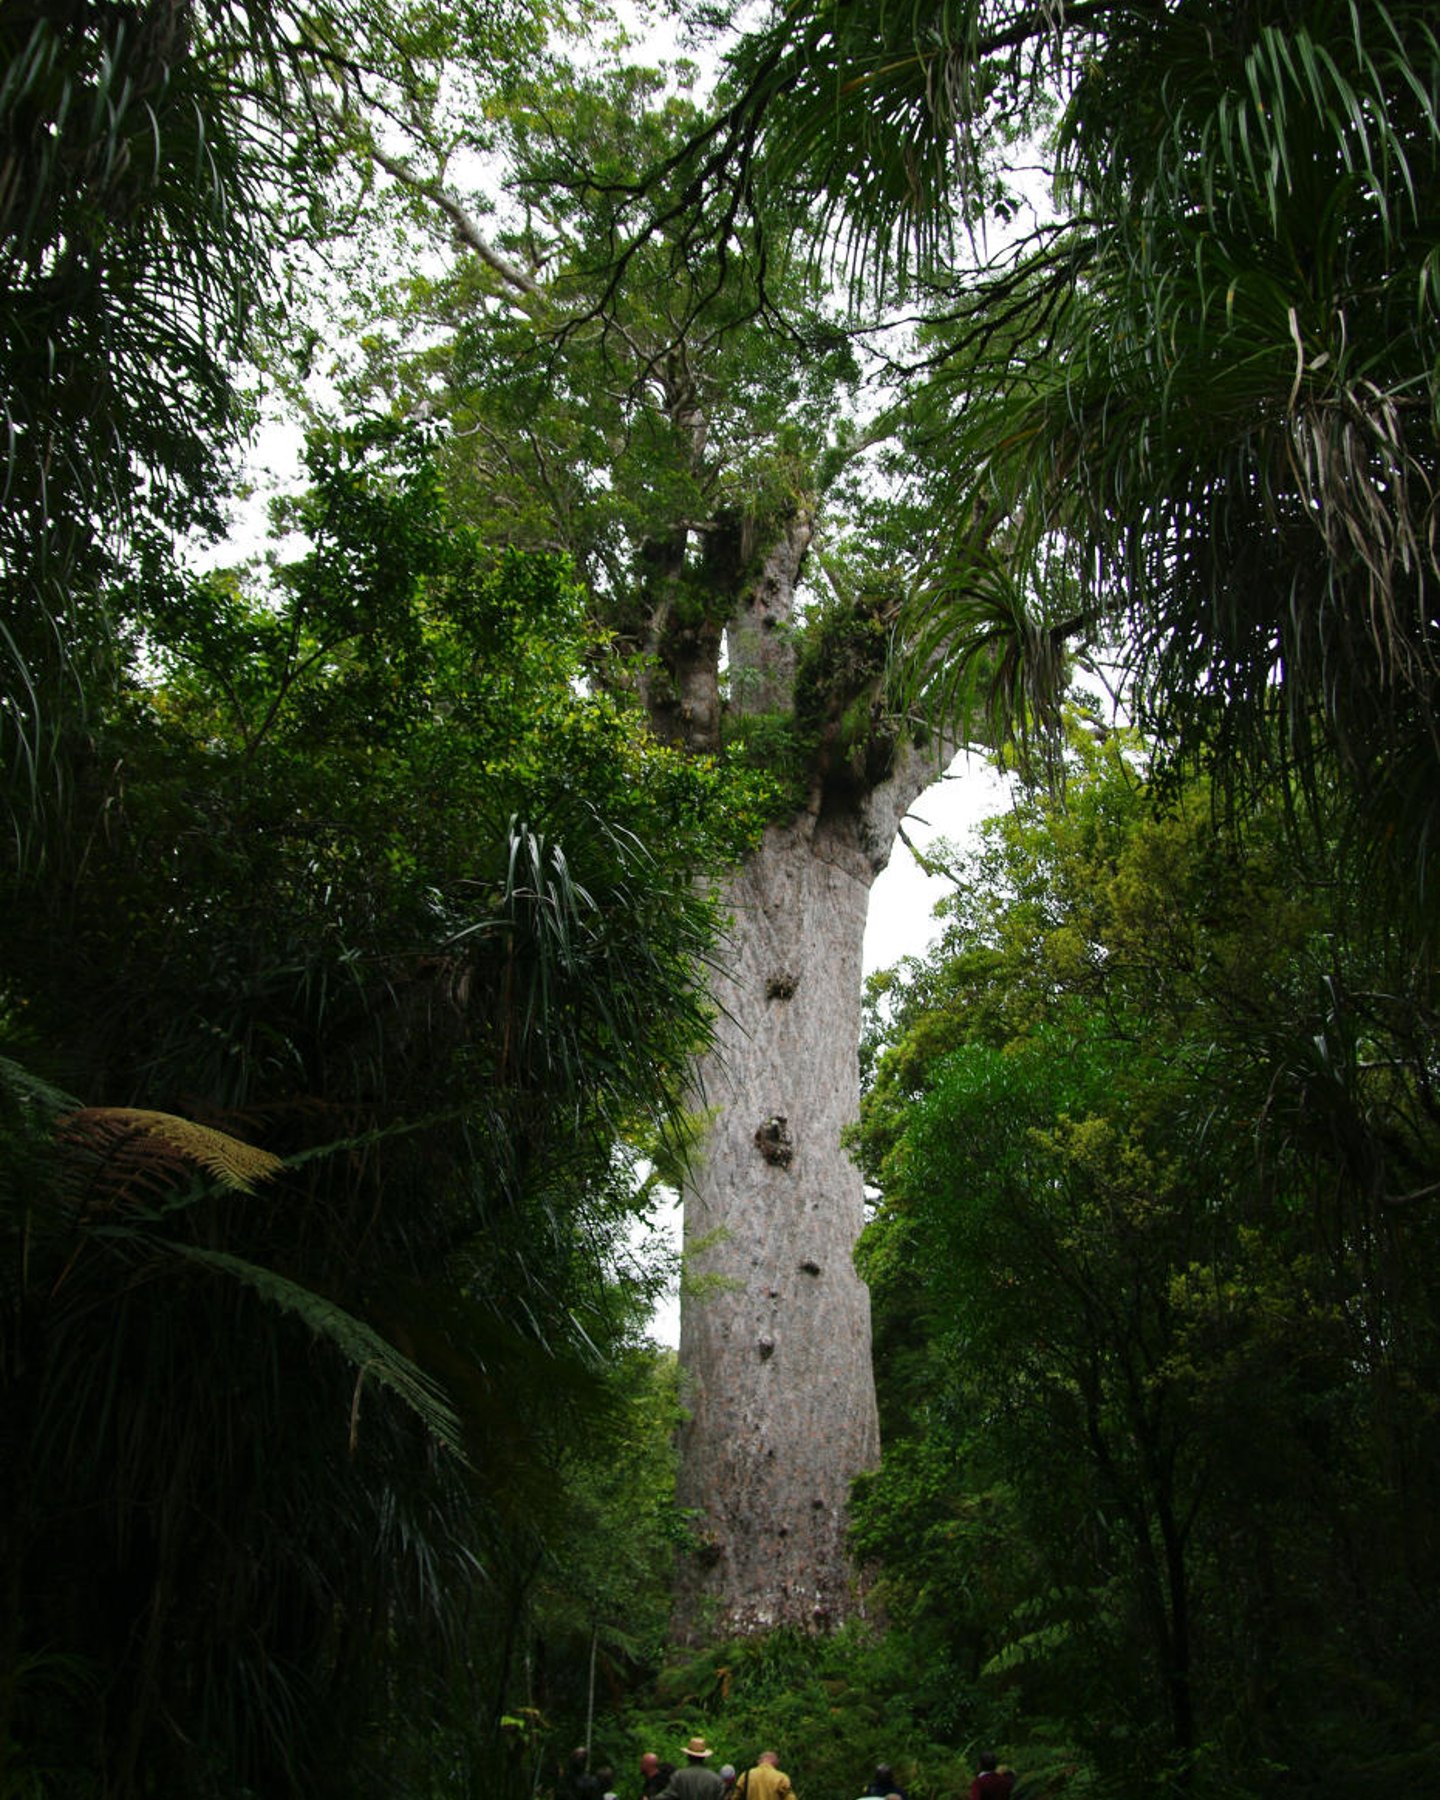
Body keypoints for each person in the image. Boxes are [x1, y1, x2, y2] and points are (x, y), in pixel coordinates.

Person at [659, 1739, 725, 1800]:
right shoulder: (715, 1780)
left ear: (688, 1756)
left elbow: (667, 1796)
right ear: (704, 1758)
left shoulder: (679, 1776)